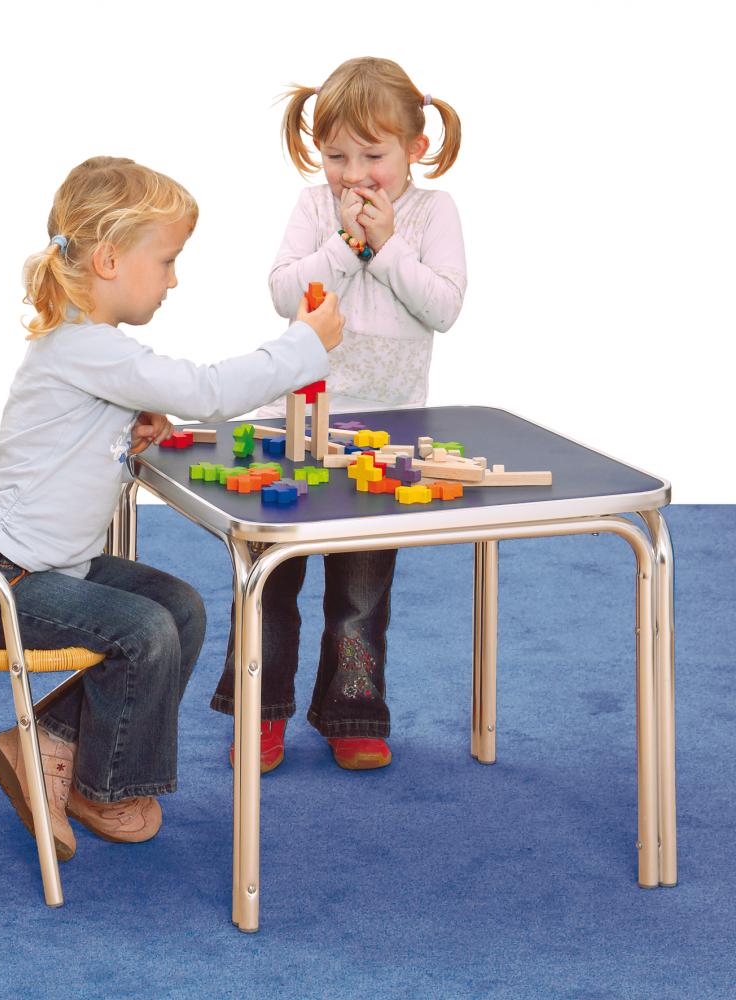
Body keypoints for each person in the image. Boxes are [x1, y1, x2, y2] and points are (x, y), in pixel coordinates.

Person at [0, 156, 344, 860]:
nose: (174, 279)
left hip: (44, 568)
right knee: (146, 631)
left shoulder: (93, 354)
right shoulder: (85, 348)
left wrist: (126, 431)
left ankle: (49, 740)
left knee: (180, 608)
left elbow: (81, 443)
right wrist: (303, 345)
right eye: (168, 260)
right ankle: (105, 787)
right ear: (109, 259)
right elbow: (207, 391)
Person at [210, 56, 468, 772]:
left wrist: (385, 246)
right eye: (336, 157)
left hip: (385, 432)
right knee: (270, 577)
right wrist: (345, 245)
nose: (354, 175)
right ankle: (260, 713)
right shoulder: (314, 209)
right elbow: (283, 293)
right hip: (296, 419)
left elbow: (443, 307)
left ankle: (353, 712)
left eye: (372, 156)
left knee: (361, 589)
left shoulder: (434, 213)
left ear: (414, 148)